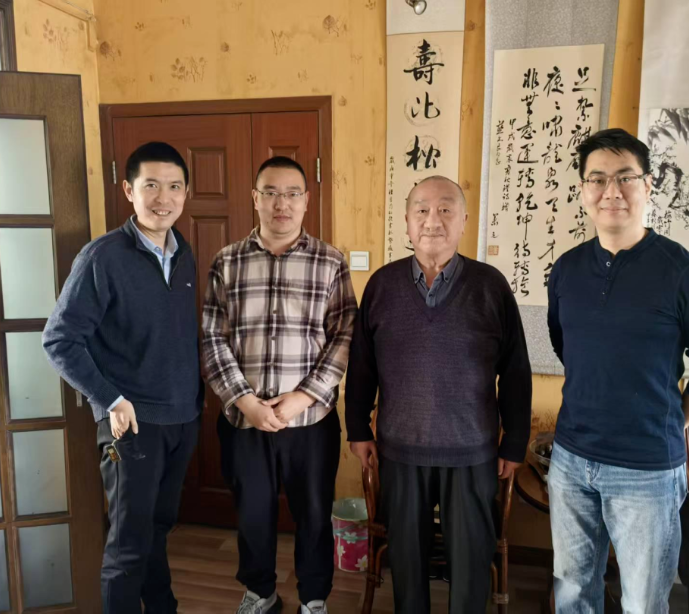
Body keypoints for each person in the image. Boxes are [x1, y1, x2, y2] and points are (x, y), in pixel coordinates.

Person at [547, 128, 689, 612]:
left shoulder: (686, 273)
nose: (611, 191)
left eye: (625, 177)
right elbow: (568, 346)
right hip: (570, 460)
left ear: (648, 185)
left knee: (644, 603)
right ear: (583, 190)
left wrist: (673, 419)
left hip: (647, 470)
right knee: (572, 591)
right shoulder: (566, 269)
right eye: (597, 179)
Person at [345, 175, 532, 614]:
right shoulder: (382, 285)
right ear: (407, 223)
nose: (433, 220)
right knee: (407, 565)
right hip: (400, 450)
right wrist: (358, 428)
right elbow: (362, 365)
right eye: (422, 210)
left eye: (446, 209)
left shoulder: (490, 285)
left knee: (470, 566)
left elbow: (515, 370)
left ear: (464, 221)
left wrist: (514, 441)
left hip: (472, 451)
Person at [43, 142, 202, 614]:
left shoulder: (184, 253)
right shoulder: (103, 257)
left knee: (158, 529)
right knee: (128, 545)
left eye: (174, 186)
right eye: (151, 185)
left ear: (186, 192)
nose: (163, 198)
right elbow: (60, 340)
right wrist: (110, 399)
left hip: (181, 418)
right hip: (130, 425)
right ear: (129, 190)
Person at [202, 156, 357, 614]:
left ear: (307, 200)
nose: (281, 204)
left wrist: (303, 397)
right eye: (270, 193)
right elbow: (211, 338)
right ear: (255, 198)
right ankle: (261, 593)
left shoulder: (330, 261)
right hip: (245, 420)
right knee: (252, 514)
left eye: (291, 194)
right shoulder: (227, 261)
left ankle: (313, 599)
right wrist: (245, 401)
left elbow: (344, 335)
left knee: (314, 514)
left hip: (311, 420)